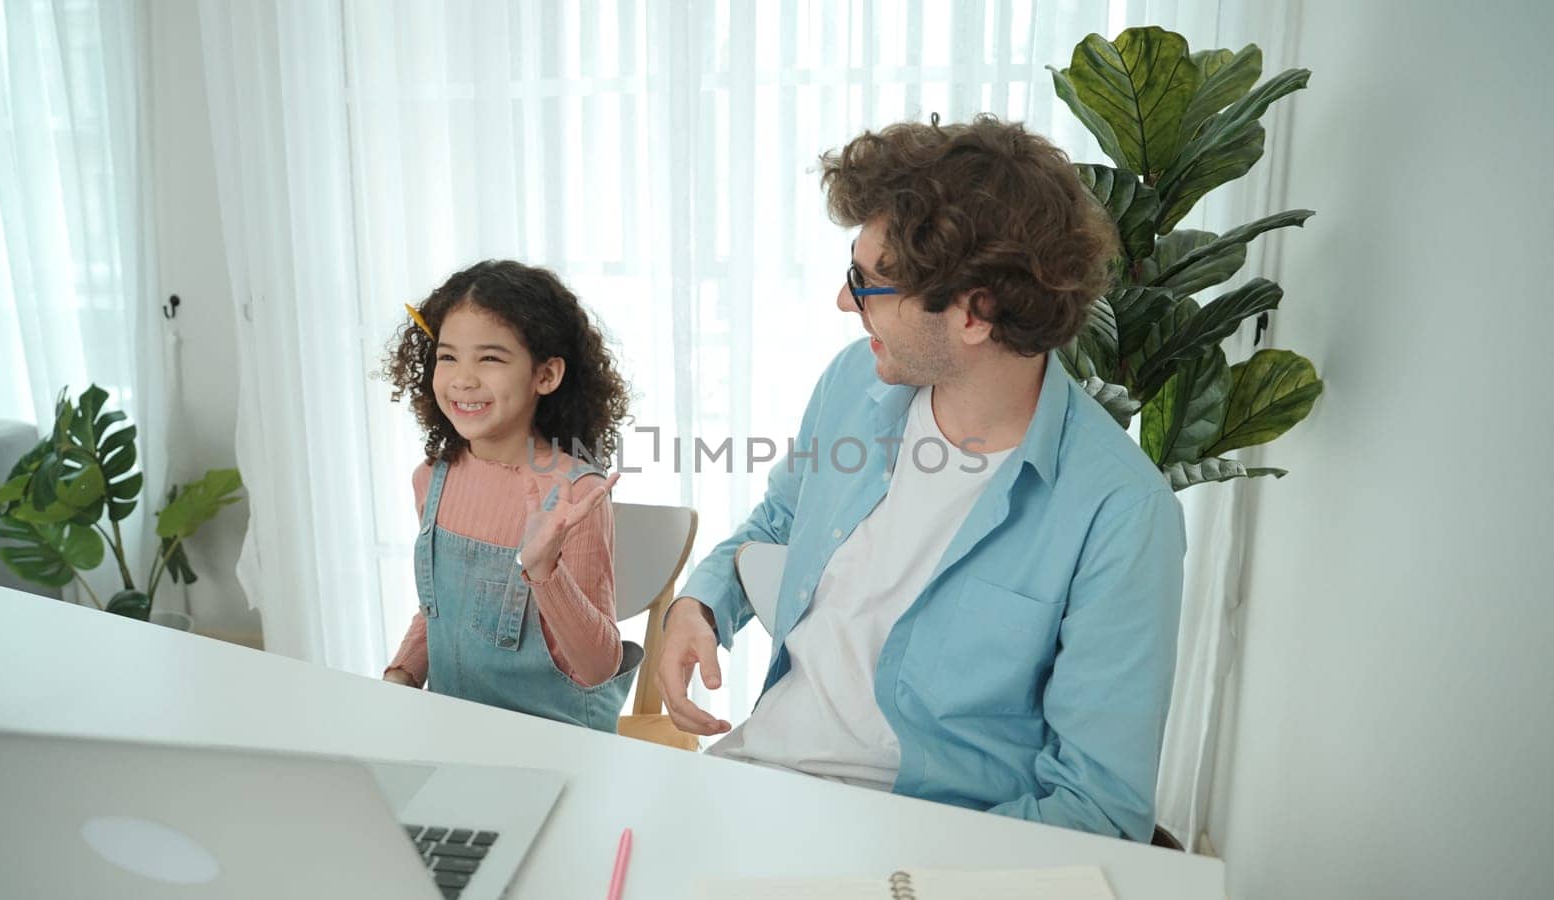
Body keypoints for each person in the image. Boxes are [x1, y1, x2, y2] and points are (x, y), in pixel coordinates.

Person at [656, 115, 1186, 840]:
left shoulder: (1120, 512)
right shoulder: (852, 383)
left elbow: (1098, 809)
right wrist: (703, 605)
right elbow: (780, 522)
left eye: (868, 284)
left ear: (975, 313)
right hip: (759, 782)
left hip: (929, 842)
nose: (845, 302)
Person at [380, 259, 641, 732]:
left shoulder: (573, 494)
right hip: (457, 733)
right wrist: (401, 675)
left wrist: (545, 571)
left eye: (491, 358)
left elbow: (599, 666)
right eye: (448, 356)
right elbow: (438, 609)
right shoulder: (432, 478)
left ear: (546, 375)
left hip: (554, 742)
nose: (462, 378)